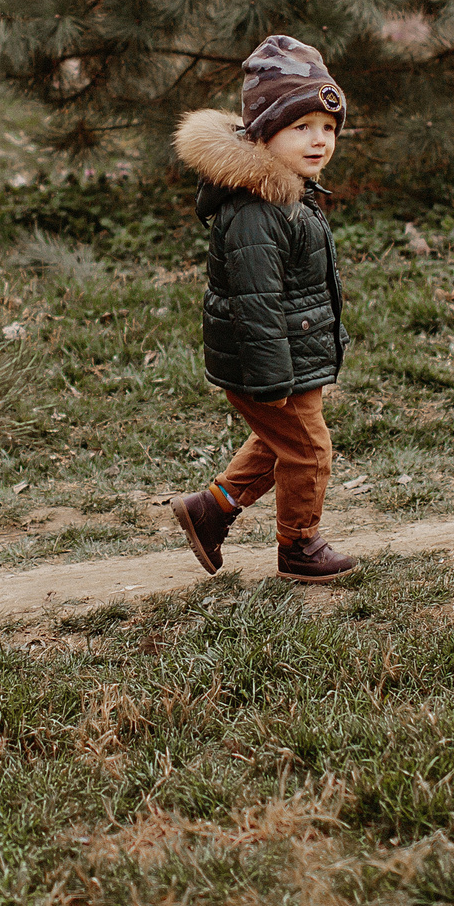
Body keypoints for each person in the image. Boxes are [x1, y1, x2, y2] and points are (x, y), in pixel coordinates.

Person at [168, 35, 359, 583]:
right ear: (264, 133)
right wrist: (273, 377)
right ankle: (299, 546)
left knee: (283, 441)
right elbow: (256, 304)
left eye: (328, 128)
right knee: (308, 450)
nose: (319, 140)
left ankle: (212, 508)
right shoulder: (257, 211)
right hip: (268, 362)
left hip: (290, 353)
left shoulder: (292, 193)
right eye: (301, 128)